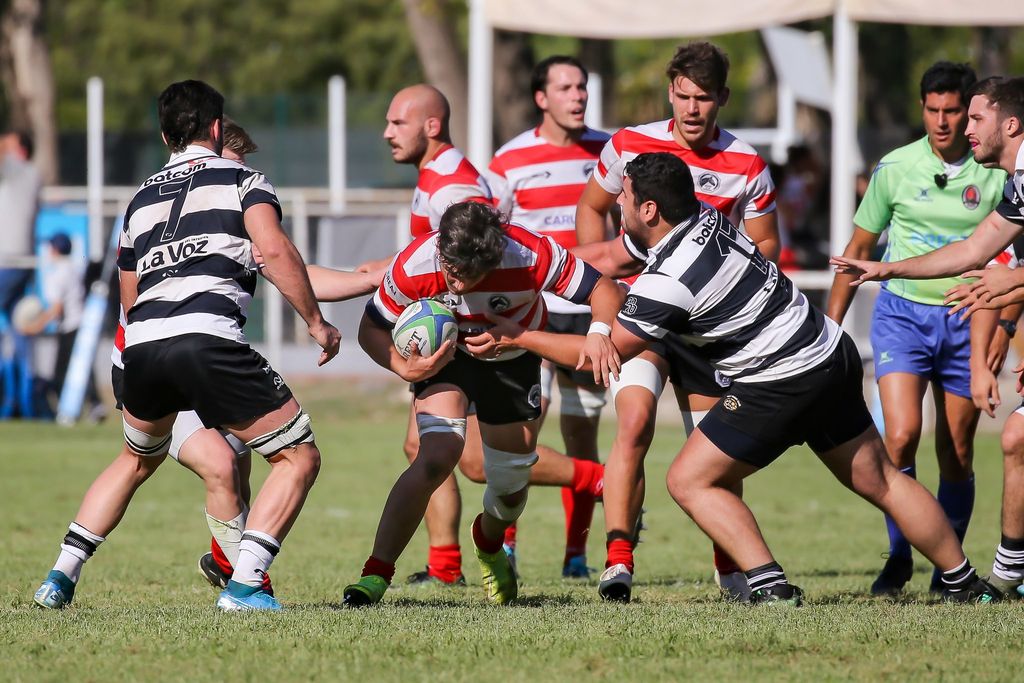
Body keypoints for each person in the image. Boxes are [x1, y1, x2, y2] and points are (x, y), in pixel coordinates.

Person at [488, 151, 1000, 605]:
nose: (616, 205)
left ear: (648, 210)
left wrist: (518, 336)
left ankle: (769, 584)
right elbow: (604, 257)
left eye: (623, 197)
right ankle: (964, 581)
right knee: (882, 479)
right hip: (827, 350)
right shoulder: (705, 219)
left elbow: (601, 354)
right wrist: (521, 265)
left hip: (781, 380)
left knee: (688, 479)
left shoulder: (668, 281)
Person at [33, 80, 341, 612]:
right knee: (297, 457)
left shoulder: (139, 199)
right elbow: (273, 250)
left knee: (135, 459)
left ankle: (60, 576)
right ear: (217, 128)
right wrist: (316, 322)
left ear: (164, 135)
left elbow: (130, 295)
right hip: (206, 338)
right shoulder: (243, 180)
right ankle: (245, 586)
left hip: (141, 348)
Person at [574, 41, 779, 601]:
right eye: (684, 95)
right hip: (643, 316)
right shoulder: (628, 145)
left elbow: (766, 245)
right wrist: (601, 290)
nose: (692, 108)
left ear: (723, 98)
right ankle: (618, 562)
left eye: (704, 98)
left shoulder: (747, 164)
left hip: (704, 333)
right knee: (634, 424)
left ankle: (731, 569)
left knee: (713, 451)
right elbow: (592, 207)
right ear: (670, 92)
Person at [342, 201, 623, 607]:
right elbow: (371, 328)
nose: (458, 284)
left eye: (471, 274)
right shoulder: (414, 265)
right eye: (452, 271)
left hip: (512, 359)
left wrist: (598, 332)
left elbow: (603, 289)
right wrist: (404, 367)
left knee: (509, 485)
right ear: (441, 249)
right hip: (446, 361)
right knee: (435, 457)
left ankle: (488, 543)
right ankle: (375, 574)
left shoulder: (530, 254)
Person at [833, 76, 1024, 599]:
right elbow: (972, 253)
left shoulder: (1004, 175)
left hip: (965, 320)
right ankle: (924, 558)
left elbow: (995, 267)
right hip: (905, 316)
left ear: (1010, 124)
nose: (961, 126)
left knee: (970, 447)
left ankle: (983, 569)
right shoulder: (1011, 180)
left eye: (974, 116)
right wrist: (887, 269)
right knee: (907, 436)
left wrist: (1011, 291)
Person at [355, 83, 493, 587]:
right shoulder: (434, 176)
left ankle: (595, 481)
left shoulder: (454, 188)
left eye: (398, 122)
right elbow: (432, 254)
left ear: (431, 126)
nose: (387, 133)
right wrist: (389, 268)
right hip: (449, 335)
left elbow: (471, 261)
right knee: (426, 448)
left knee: (478, 462)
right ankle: (445, 566)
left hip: (470, 338)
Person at [484, 55, 610, 577]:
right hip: (531, 315)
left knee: (583, 435)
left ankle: (576, 555)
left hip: (589, 312)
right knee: (522, 435)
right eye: (565, 88)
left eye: (581, 86)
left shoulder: (609, 151)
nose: (577, 96)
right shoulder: (510, 160)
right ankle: (508, 546)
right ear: (541, 98)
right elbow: (491, 235)